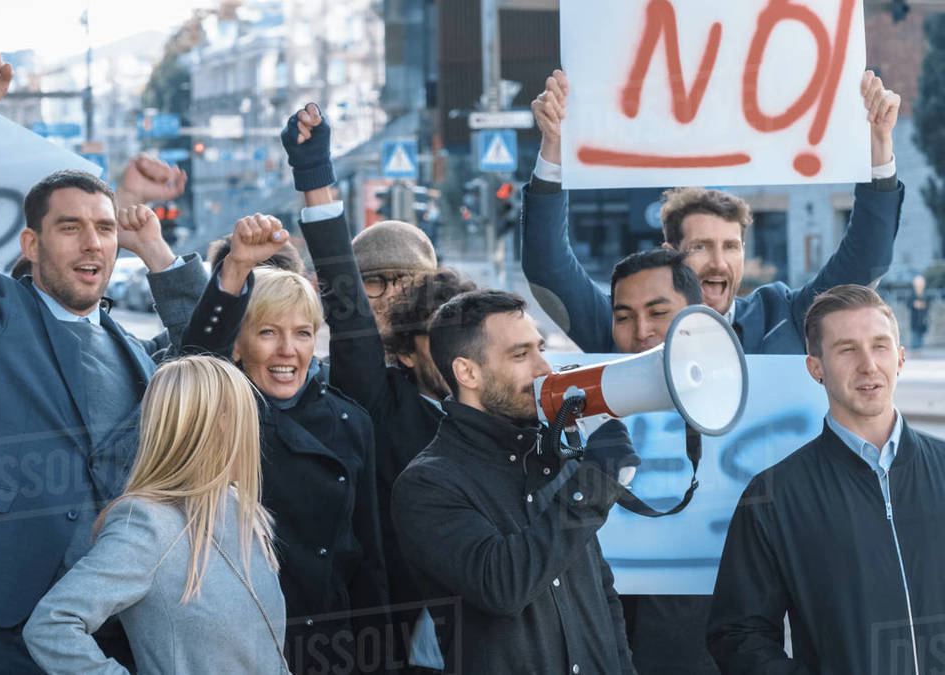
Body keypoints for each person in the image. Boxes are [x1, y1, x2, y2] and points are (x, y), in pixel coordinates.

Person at [0, 50, 281, 672]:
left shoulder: (133, 353)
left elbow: (202, 367)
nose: (93, 242)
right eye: (70, 227)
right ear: (32, 243)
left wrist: (233, 270)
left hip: (102, 628)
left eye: (104, 228)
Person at [280, 102, 475, 671]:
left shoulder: (494, 403)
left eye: (405, 282)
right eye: (375, 282)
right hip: (391, 629)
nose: (390, 295)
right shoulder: (370, 396)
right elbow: (344, 299)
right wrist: (314, 172)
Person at [522, 69, 905, 354]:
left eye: (732, 246)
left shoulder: (785, 316)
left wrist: (878, 151)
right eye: (702, 246)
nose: (719, 262)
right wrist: (554, 150)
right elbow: (549, 268)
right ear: (671, 252)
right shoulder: (630, 324)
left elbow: (865, 260)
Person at [392, 289, 639, 673]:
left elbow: (602, 597)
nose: (543, 368)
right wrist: (592, 483)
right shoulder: (427, 484)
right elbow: (502, 586)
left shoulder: (556, 457)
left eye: (539, 349)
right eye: (520, 355)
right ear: (467, 372)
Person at [708, 284, 945, 673]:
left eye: (880, 346)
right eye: (847, 349)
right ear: (815, 367)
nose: (869, 365)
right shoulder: (773, 496)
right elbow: (737, 633)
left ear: (901, 358)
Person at [22, 355, 287, 674]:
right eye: (243, 416)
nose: (252, 430)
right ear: (208, 427)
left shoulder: (243, 510)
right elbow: (52, 625)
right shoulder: (147, 523)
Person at [220, 259, 389, 674]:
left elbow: (369, 558)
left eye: (302, 333)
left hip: (332, 648)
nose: (287, 350)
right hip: (240, 647)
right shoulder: (216, 421)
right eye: (267, 332)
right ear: (237, 343)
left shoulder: (351, 422)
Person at [605, 248, 719, 674]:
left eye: (658, 312)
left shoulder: (740, 392)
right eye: (624, 317)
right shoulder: (593, 406)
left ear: (697, 316)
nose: (642, 332)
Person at [909, 273, 930, 352]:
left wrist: (920, 304)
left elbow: (927, 305)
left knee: (921, 344)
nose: (919, 286)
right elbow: (909, 304)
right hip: (914, 323)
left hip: (923, 322)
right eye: (917, 284)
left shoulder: (925, 295)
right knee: (914, 343)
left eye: (920, 284)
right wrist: (915, 304)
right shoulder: (912, 295)